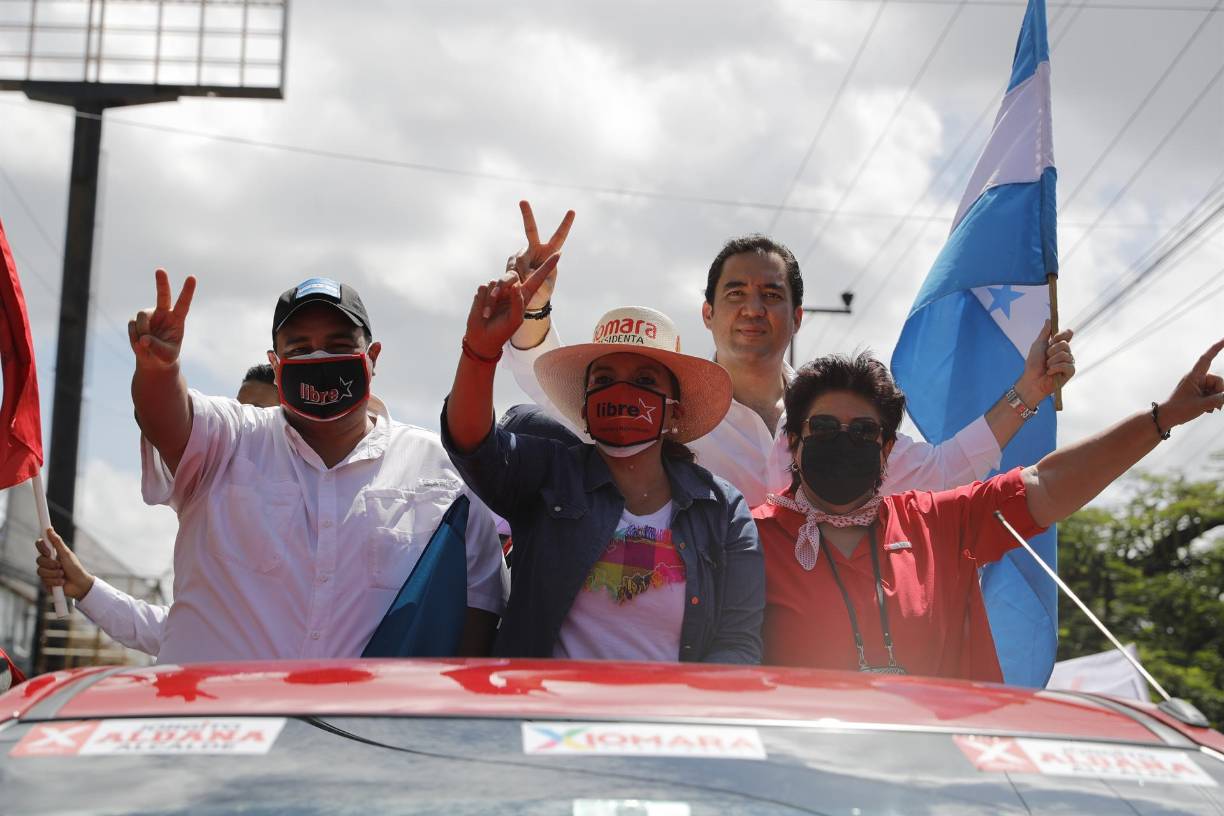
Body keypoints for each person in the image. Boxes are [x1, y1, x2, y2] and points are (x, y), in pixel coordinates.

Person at [503, 202, 1076, 505]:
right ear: (708, 314)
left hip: (811, 668)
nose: (753, 308)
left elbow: (949, 469)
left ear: (797, 318)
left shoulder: (841, 421)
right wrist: (533, 310)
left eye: (771, 295)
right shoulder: (665, 410)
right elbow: (550, 387)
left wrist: (1029, 390)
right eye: (735, 294)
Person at [754, 345, 1224, 680]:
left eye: (863, 431)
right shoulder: (745, 537)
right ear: (793, 441)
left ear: (887, 450)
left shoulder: (937, 521)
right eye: (824, 427)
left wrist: (1163, 418)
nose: (845, 440)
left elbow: (1050, 483)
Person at [126, 270, 507, 663]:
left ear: (372, 357)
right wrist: (158, 371)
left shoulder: (441, 473)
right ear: (275, 365)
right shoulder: (230, 439)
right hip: (216, 721)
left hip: (362, 724)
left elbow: (477, 613)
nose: (319, 359)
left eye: (339, 344)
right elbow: (167, 422)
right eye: (301, 348)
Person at [442, 255, 764, 663]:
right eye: (605, 380)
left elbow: (738, 642)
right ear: (585, 403)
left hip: (664, 723)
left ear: (675, 411)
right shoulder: (547, 474)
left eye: (645, 382)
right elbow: (472, 443)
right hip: (546, 719)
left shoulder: (722, 510)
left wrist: (682, 718)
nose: (623, 393)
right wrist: (480, 351)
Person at [32, 363, 288, 657]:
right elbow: (179, 631)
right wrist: (87, 588)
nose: (243, 426)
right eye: (238, 410)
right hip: (192, 697)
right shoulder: (210, 507)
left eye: (256, 413)